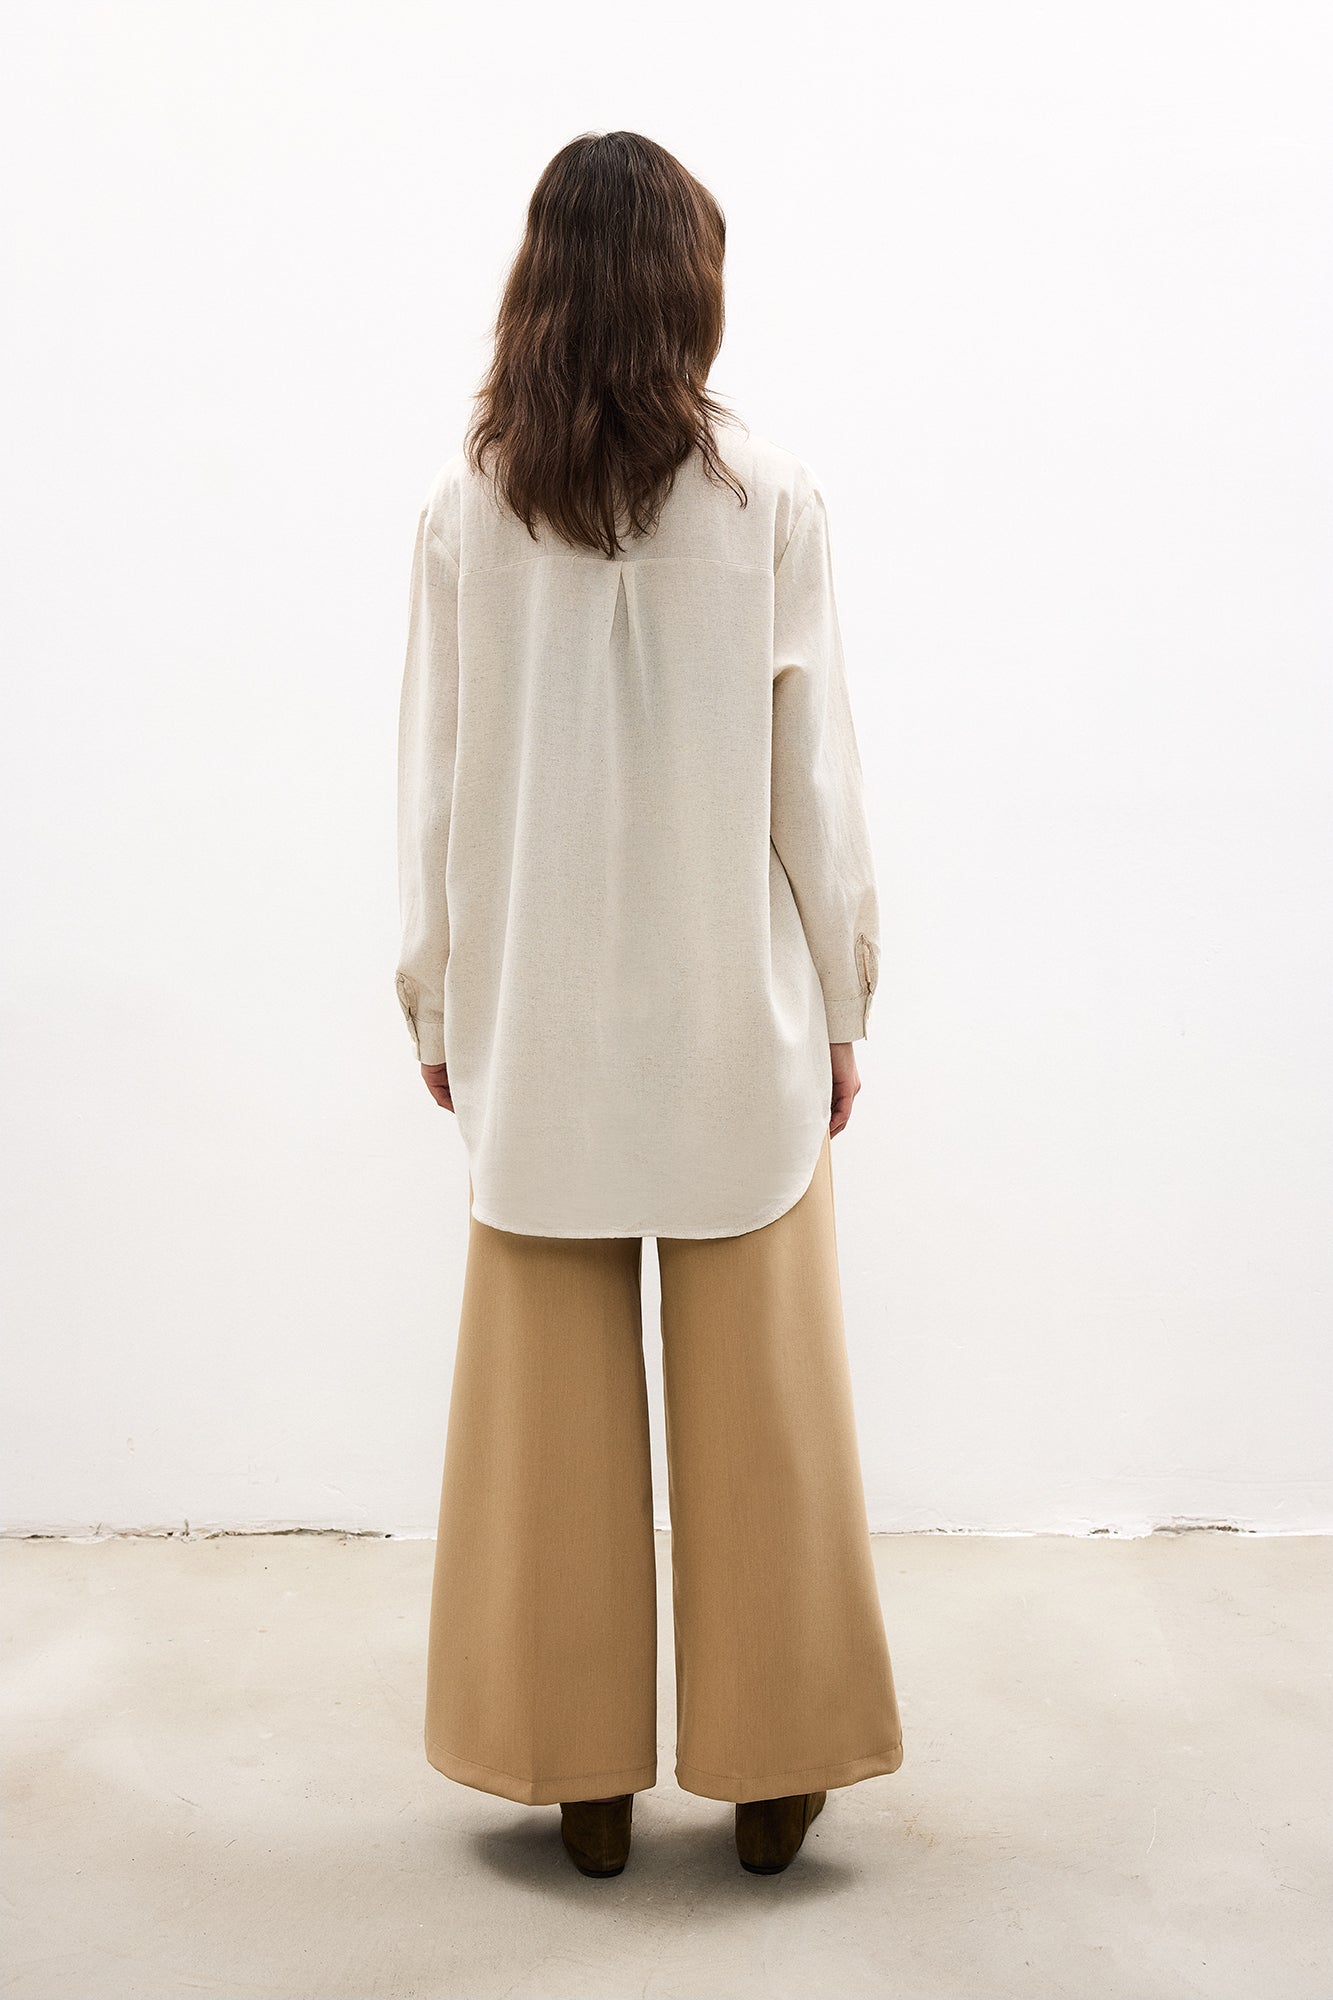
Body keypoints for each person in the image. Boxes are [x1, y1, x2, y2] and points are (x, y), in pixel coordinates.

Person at [395, 129, 903, 1879]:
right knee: (768, 1414)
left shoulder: (467, 505)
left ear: (537, 284)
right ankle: (773, 1774)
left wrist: (436, 1007)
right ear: (692, 285)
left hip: (538, 1025)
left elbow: (434, 784)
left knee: (540, 1428)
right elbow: (812, 784)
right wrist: (841, 1002)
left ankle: (581, 1778)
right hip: (728, 1020)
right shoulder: (770, 498)